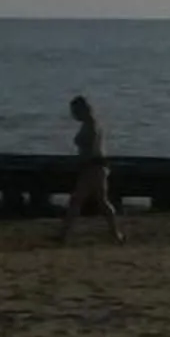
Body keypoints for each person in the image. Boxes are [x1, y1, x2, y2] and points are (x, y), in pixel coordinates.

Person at [62, 95, 121, 244]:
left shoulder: (92, 126)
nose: (73, 115)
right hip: (96, 167)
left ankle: (65, 234)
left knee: (77, 200)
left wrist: (83, 163)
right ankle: (115, 234)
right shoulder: (89, 124)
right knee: (102, 202)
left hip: (93, 167)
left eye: (75, 111)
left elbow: (92, 149)